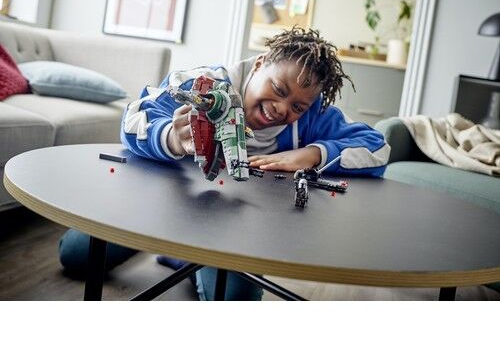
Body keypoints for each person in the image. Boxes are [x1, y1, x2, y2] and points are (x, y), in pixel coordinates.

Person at [59, 27, 390, 300]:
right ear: (260, 64)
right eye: (278, 89)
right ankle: (176, 247)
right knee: (76, 255)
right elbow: (135, 116)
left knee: (235, 301)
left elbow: (377, 147)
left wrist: (313, 153)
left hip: (234, 230)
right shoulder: (204, 84)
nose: (282, 108)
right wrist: (173, 137)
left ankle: (183, 256)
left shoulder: (313, 114)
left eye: (297, 107)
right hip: (162, 206)